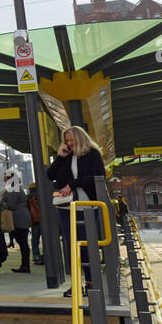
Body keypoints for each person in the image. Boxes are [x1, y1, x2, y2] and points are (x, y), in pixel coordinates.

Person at [47, 125, 107, 297]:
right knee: (71, 245)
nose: (69, 143)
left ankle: (91, 283)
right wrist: (60, 156)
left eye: (72, 140)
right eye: (67, 141)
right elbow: (50, 175)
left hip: (87, 205)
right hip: (67, 206)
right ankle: (76, 284)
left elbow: (98, 177)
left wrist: (73, 184)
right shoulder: (66, 156)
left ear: (81, 139)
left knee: (86, 245)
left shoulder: (92, 154)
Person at [2, 170, 32, 273]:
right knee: (23, 242)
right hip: (23, 216)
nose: (4, 179)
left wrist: (1, 202)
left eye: (5, 177)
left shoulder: (12, 190)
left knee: (22, 242)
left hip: (18, 218)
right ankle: (25, 265)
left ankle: (25, 265)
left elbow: (11, 205)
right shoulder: (18, 188)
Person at [28, 182, 43, 265]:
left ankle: (36, 256)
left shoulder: (29, 198)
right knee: (46, 240)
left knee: (35, 240)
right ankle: (46, 256)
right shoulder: (43, 195)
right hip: (44, 220)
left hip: (35, 221)